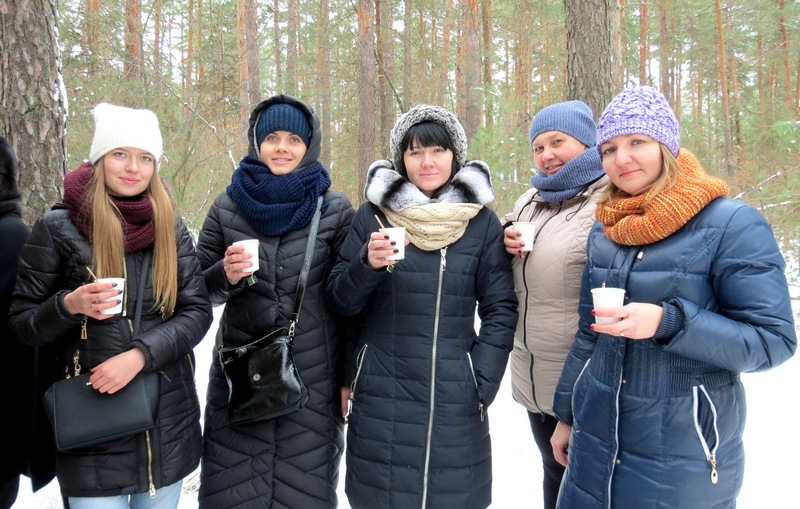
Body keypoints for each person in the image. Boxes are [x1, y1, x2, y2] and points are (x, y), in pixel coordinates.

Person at [550, 85, 797, 508]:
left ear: (666, 144)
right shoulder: (607, 226)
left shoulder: (731, 224)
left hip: (683, 449)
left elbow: (773, 341)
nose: (621, 158)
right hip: (596, 437)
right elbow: (588, 333)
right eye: (608, 148)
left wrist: (671, 322)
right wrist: (566, 414)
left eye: (637, 142)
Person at [8, 103, 213, 509]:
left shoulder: (169, 225)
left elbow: (197, 311)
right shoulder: (58, 228)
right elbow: (21, 324)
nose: (132, 168)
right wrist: (68, 305)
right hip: (92, 430)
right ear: (100, 158)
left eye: (145, 158)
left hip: (165, 426)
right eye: (120, 154)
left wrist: (140, 355)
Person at [327, 104, 518, 509]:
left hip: (454, 399)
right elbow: (341, 303)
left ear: (455, 156)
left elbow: (500, 308)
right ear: (402, 159)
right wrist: (366, 265)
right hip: (382, 394)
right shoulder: (373, 217)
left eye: (438, 151)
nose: (427, 162)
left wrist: (479, 382)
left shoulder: (481, 223)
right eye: (415, 152)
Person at [196, 94, 355, 509]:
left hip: (312, 379)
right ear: (256, 143)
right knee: (233, 493)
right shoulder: (227, 205)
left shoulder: (334, 208)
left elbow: (348, 299)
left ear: (309, 146)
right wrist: (224, 276)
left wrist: (346, 378)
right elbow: (195, 291)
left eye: (293, 139)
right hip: (241, 378)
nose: (282, 147)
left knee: (303, 493)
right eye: (271, 137)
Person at [501, 100, 607, 509]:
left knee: (588, 484)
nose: (546, 155)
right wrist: (505, 236)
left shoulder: (606, 200)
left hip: (581, 379)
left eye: (557, 142)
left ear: (586, 144)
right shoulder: (531, 199)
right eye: (538, 146)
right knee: (554, 472)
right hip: (533, 375)